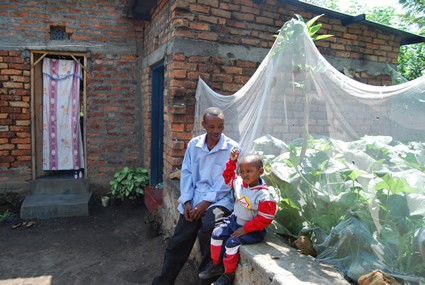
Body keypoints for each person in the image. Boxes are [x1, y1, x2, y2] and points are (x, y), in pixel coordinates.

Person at [152, 107, 240, 285]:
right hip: (195, 198)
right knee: (178, 241)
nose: (216, 131)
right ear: (204, 125)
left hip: (220, 199)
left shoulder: (232, 148)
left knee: (209, 228)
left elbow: (226, 182)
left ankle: (206, 280)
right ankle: (163, 282)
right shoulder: (194, 145)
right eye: (212, 126)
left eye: (220, 127)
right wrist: (187, 201)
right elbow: (187, 173)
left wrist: (205, 203)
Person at [198, 149, 277, 285]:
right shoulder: (240, 182)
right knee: (216, 234)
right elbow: (228, 177)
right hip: (235, 221)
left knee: (231, 243)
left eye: (249, 171)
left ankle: (228, 275)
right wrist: (232, 162)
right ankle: (216, 264)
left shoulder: (263, 195)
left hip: (253, 229)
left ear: (261, 171)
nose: (245, 174)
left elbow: (265, 218)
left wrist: (246, 229)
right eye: (242, 171)